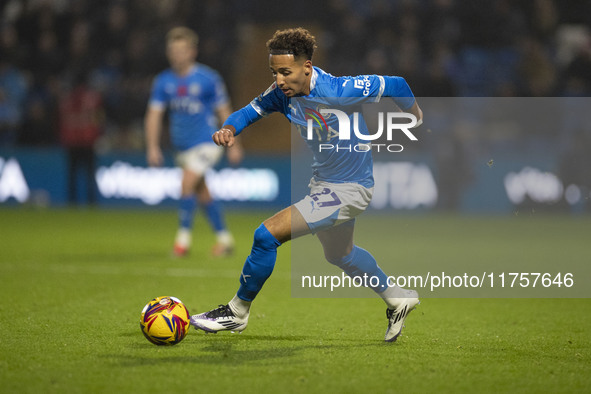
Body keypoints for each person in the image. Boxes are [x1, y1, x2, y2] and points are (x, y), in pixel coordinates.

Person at [190, 28, 423, 342]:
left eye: (285, 72)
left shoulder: (337, 91)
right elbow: (248, 112)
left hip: (349, 189)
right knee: (340, 254)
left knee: (266, 235)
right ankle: (398, 298)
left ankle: (237, 312)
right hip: (325, 185)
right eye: (274, 72)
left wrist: (416, 115)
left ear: (307, 67)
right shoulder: (280, 93)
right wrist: (229, 128)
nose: (279, 80)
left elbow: (397, 84)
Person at [145, 27, 242, 257]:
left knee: (186, 184)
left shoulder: (208, 78)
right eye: (172, 50)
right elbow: (154, 115)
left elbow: (224, 110)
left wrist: (235, 144)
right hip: (181, 147)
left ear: (192, 52)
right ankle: (225, 240)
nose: (176, 55)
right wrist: (152, 146)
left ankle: (182, 243)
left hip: (208, 142)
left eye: (181, 50)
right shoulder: (163, 81)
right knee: (202, 192)